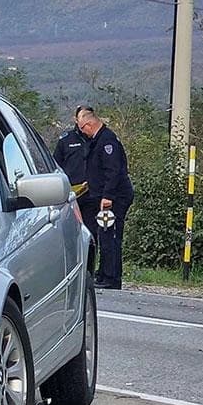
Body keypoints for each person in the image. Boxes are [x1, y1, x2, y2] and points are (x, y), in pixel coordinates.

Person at [76, 108, 134, 289]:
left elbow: (113, 170)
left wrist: (108, 195)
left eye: (82, 129)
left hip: (114, 198)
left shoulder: (107, 141)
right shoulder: (98, 140)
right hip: (103, 196)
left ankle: (111, 278)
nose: (81, 133)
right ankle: (103, 273)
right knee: (104, 234)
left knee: (111, 236)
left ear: (89, 124)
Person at [53, 105, 91, 199]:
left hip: (95, 194)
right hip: (72, 194)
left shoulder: (100, 139)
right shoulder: (65, 140)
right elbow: (56, 166)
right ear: (76, 119)